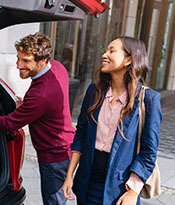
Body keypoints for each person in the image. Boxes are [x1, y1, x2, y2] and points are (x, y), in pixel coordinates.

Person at [0, 32, 75, 204]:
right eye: (18, 58)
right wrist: (28, 107)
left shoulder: (40, 95)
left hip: (53, 155)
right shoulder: (57, 67)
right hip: (65, 145)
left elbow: (9, 123)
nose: (19, 65)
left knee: (54, 201)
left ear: (43, 60)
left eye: (26, 60)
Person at [61, 37, 161, 204]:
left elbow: (148, 152)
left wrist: (133, 191)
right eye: (106, 50)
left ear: (129, 60)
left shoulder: (149, 99)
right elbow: (81, 134)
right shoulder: (94, 91)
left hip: (121, 189)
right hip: (87, 181)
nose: (104, 55)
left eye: (112, 51)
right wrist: (69, 176)